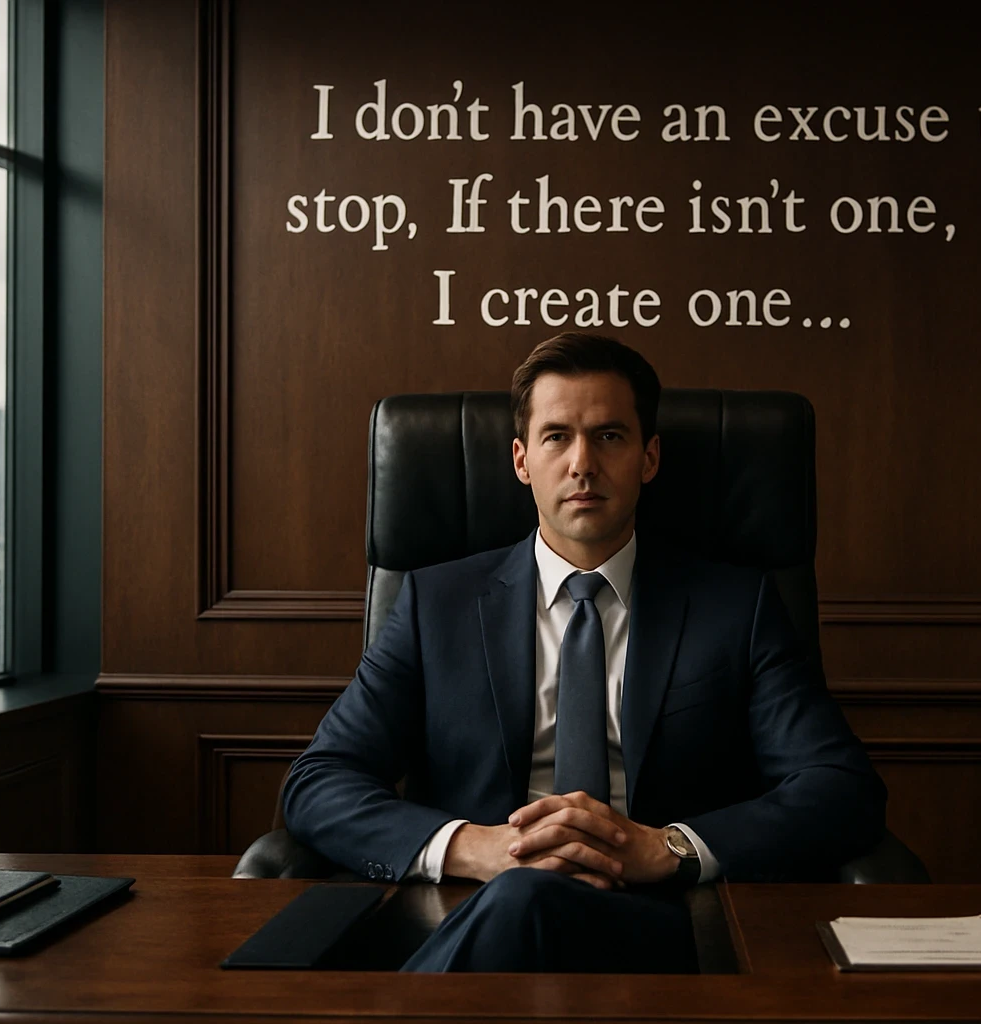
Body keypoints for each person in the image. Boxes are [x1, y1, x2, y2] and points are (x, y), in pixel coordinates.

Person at [282, 332, 886, 972]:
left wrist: (667, 847)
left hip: (658, 921)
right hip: (473, 911)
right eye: (556, 437)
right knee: (522, 899)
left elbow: (839, 788)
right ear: (521, 460)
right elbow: (319, 782)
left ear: (649, 457)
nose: (582, 463)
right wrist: (477, 848)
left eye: (610, 436)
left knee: (525, 905)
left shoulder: (736, 608)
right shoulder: (437, 605)